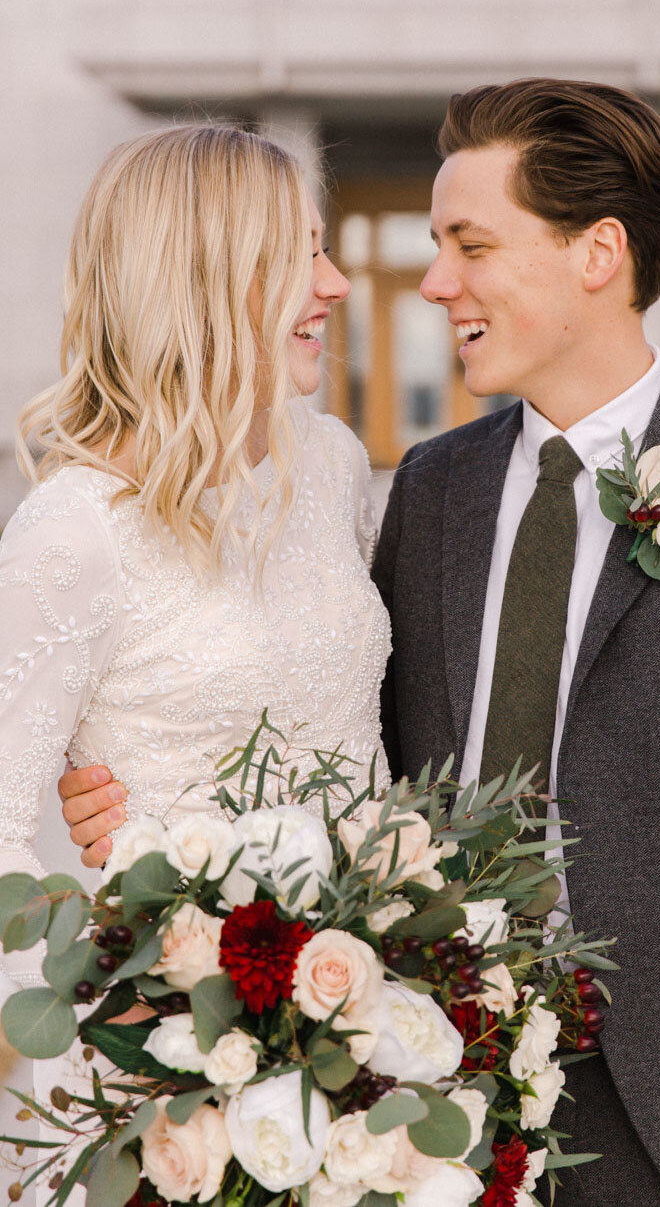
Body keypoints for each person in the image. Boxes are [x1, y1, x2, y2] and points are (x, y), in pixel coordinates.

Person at [59, 81, 660, 1207]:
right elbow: (348, 749)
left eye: (470, 244)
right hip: (414, 1104)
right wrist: (139, 808)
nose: (433, 281)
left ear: (597, 253)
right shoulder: (430, 488)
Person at [0, 122, 391, 1007]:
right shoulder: (74, 530)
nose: (335, 286)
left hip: (366, 1015)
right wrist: (117, 999)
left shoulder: (329, 463)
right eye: (302, 257)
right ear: (206, 280)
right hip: (170, 1056)